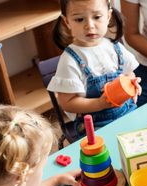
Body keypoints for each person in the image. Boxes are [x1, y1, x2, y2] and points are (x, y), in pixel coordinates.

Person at [48, 0, 141, 134]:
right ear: (66, 22)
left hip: (128, 112)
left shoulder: (115, 47)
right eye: (79, 19)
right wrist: (100, 103)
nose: (89, 26)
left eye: (97, 17)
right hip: (95, 126)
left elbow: (129, 74)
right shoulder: (69, 60)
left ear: (108, 16)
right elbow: (67, 102)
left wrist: (131, 83)